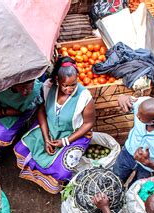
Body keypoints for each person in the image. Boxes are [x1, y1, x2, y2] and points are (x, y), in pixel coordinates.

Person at [14, 56, 95, 194]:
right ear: (57, 80)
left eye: (73, 84)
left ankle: (52, 185)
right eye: (65, 85)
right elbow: (41, 111)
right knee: (21, 148)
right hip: (49, 128)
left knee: (61, 171)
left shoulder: (84, 97)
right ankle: (37, 176)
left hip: (73, 135)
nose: (69, 89)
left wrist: (65, 141)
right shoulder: (48, 87)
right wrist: (46, 138)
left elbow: (88, 123)